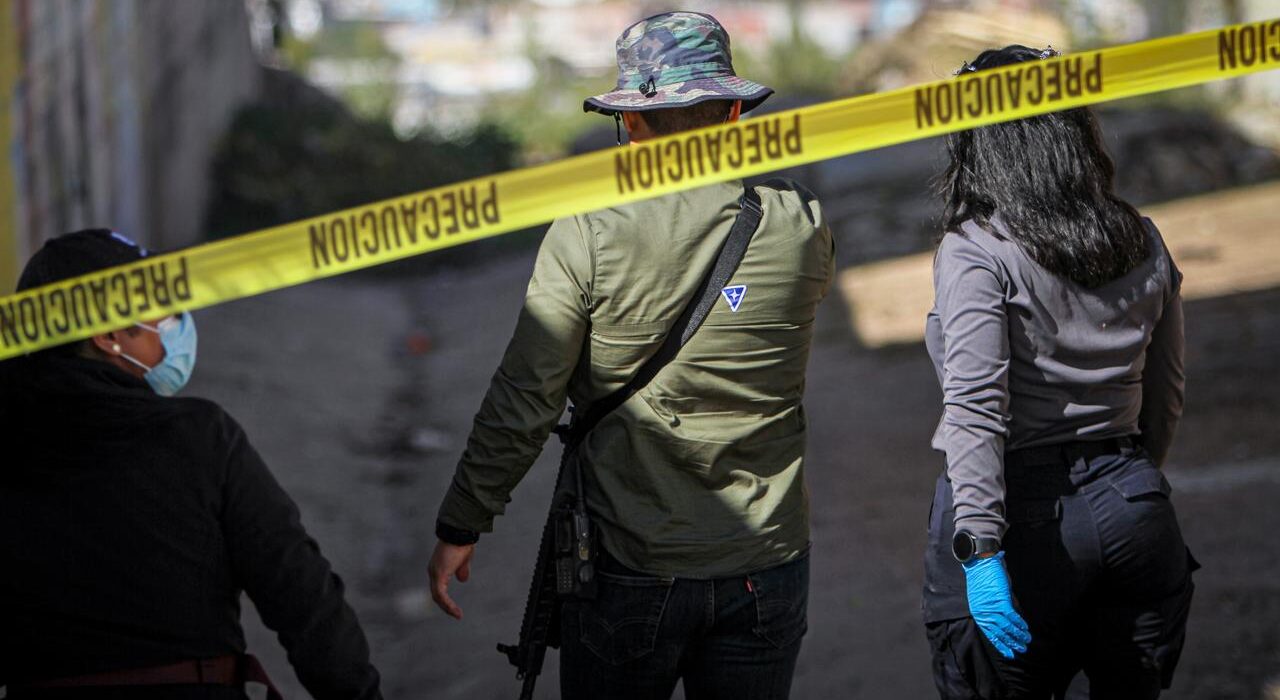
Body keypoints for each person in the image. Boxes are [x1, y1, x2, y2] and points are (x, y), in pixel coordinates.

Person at [427, 11, 833, 700]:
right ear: (734, 111)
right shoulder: (801, 220)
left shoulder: (588, 229)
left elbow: (526, 397)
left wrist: (462, 522)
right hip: (767, 562)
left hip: (631, 565)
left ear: (632, 123)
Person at [921, 46, 1197, 699]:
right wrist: (1129, 484)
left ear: (980, 140)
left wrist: (980, 550)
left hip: (1022, 523)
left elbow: (976, 408)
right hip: (1134, 505)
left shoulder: (977, 250)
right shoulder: (1140, 236)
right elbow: (1167, 391)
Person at [0, 229, 382, 699]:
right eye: (160, 307)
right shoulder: (200, 438)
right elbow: (302, 594)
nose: (179, 321)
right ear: (110, 335)